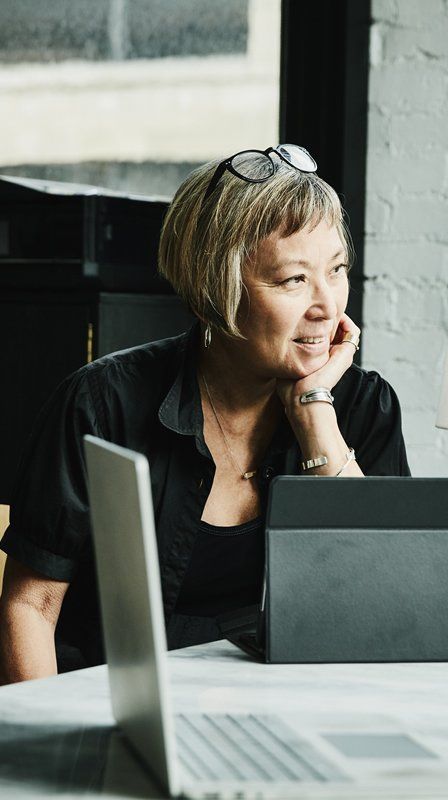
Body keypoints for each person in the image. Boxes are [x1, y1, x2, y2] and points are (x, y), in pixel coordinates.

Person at [0, 145, 410, 683]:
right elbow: (30, 608)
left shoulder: (361, 405)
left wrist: (315, 414)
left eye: (336, 270)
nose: (328, 305)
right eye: (293, 280)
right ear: (214, 291)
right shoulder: (102, 404)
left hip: (291, 714)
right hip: (114, 711)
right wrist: (52, 747)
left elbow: (387, 602)